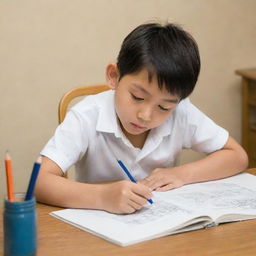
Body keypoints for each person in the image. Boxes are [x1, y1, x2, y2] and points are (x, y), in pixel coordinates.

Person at [35, 22, 248, 214]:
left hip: (160, 226)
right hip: (99, 224)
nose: (145, 115)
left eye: (164, 107)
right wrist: (103, 197)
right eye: (137, 97)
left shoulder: (182, 113)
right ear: (114, 76)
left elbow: (237, 156)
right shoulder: (86, 116)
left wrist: (182, 174)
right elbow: (39, 181)